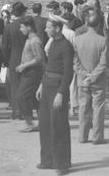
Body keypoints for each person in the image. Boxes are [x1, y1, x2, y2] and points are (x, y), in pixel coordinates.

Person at [37, 15, 74, 175]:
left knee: (58, 126)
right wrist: (41, 85)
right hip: (46, 86)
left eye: (48, 27)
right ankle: (47, 160)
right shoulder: (52, 44)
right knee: (45, 124)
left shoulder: (66, 46)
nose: (45, 29)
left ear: (57, 28)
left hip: (58, 88)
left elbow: (68, 72)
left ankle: (62, 163)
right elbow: (49, 67)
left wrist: (61, 93)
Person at [74, 7, 108, 144]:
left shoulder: (77, 39)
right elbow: (103, 63)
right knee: (98, 108)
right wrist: (93, 76)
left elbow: (75, 62)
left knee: (83, 108)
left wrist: (84, 74)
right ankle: (97, 137)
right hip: (98, 80)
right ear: (99, 24)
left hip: (82, 79)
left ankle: (82, 136)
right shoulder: (102, 40)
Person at [15, 15, 45, 132]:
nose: (20, 29)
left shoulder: (35, 41)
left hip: (33, 73)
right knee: (33, 98)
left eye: (22, 27)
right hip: (28, 72)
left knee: (21, 96)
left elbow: (39, 58)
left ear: (29, 27)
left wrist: (24, 65)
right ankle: (39, 122)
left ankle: (29, 123)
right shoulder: (29, 39)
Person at [2, 2, 28, 120]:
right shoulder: (27, 25)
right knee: (26, 85)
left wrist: (5, 60)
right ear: (22, 12)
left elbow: (5, 46)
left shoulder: (9, 27)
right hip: (26, 58)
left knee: (14, 86)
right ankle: (26, 111)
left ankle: (16, 111)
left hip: (13, 58)